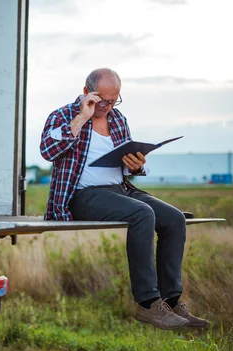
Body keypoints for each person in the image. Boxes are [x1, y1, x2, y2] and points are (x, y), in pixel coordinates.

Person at [39, 68, 209, 330]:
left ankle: (171, 301)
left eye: (114, 100)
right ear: (87, 92)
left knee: (174, 219)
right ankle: (148, 303)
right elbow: (47, 151)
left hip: (120, 189)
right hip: (82, 195)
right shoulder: (63, 115)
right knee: (142, 214)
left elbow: (128, 162)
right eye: (102, 100)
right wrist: (82, 117)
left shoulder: (118, 119)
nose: (107, 107)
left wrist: (137, 165)